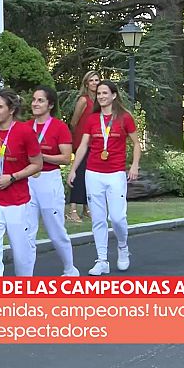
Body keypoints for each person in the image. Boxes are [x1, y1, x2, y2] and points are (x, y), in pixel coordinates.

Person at [68, 80, 141, 275]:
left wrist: (134, 165)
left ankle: (123, 246)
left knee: (117, 218)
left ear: (114, 95)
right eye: (99, 93)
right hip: (93, 173)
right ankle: (101, 260)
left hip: (116, 173)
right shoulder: (93, 119)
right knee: (98, 219)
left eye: (105, 93)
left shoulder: (125, 117)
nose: (101, 96)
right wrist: (74, 169)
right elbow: (83, 145)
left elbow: (136, 143)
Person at [0, 90, 43, 276]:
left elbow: (37, 164)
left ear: (12, 110)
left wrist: (12, 177)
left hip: (18, 201)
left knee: (22, 253)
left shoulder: (25, 132)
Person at [26, 86, 80, 276]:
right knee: (26, 232)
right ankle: (26, 276)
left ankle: (69, 268)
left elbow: (66, 158)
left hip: (49, 181)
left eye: (40, 100)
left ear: (50, 104)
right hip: (27, 182)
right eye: (34, 99)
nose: (35, 103)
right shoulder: (26, 127)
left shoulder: (59, 127)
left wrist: (41, 157)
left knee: (56, 230)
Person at [67, 71, 101, 222]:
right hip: (82, 143)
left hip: (95, 143)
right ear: (86, 83)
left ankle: (87, 208)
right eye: (91, 80)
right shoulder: (83, 100)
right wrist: (80, 140)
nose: (94, 83)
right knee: (78, 174)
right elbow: (73, 122)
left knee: (90, 176)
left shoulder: (100, 101)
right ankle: (72, 209)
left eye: (97, 80)